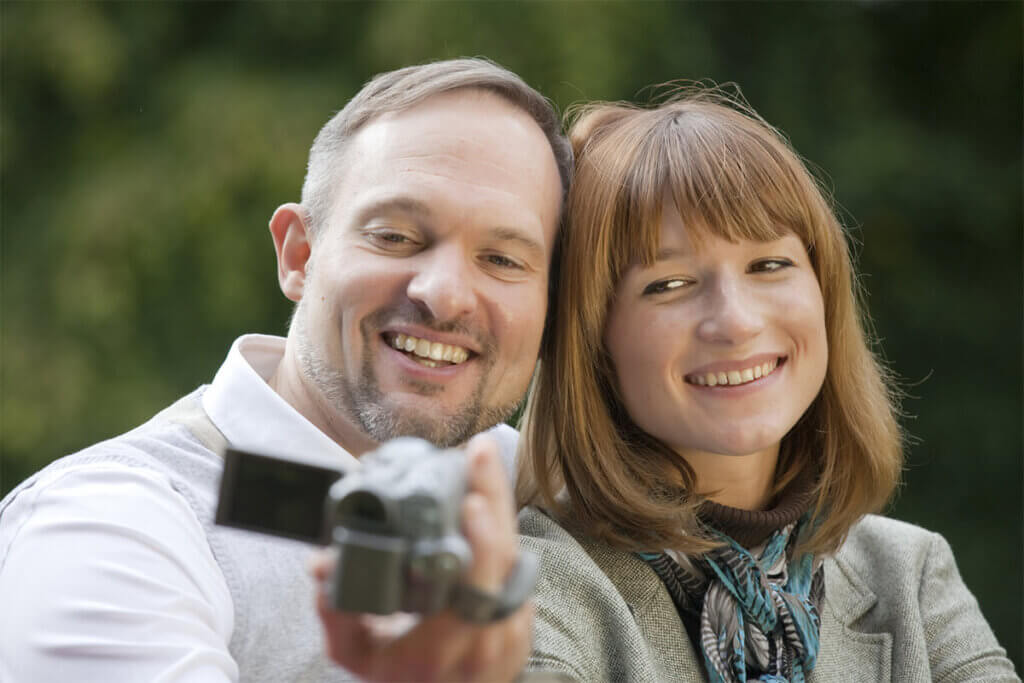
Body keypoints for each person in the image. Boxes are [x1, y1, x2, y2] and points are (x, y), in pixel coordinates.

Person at [0, 58, 571, 682]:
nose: (444, 293)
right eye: (395, 237)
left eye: (503, 259)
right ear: (299, 255)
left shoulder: (550, 493)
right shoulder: (110, 527)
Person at [513, 91, 1020, 682]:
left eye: (768, 266)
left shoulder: (909, 573)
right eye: (669, 283)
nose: (736, 322)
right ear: (591, 338)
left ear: (824, 290)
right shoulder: (532, 584)